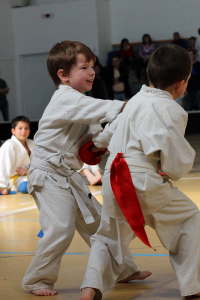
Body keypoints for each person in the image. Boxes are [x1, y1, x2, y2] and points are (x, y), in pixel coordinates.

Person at [22, 40, 151, 296]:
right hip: (47, 177)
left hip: (69, 177)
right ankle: (36, 280)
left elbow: (94, 140)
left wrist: (97, 148)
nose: (92, 72)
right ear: (64, 75)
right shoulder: (65, 98)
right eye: (84, 67)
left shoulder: (80, 101)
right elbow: (105, 109)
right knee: (60, 227)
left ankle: (124, 269)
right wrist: (140, 103)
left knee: (101, 225)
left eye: (92, 66)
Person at [79, 44, 200, 300]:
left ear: (148, 72)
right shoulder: (172, 110)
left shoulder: (134, 100)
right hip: (143, 180)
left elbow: (109, 133)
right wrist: (170, 170)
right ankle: (193, 286)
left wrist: (94, 147)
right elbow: (172, 156)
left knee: (108, 236)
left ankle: (90, 289)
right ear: (182, 84)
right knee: (189, 220)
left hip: (114, 177)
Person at [0, 116, 34, 195]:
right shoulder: (9, 144)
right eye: (20, 128)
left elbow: (40, 163)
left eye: (26, 128)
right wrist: (1, 186)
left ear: (29, 131)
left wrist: (27, 171)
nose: (23, 131)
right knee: (25, 187)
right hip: (12, 179)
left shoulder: (32, 144)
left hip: (28, 176)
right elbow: (3, 166)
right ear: (13, 131)